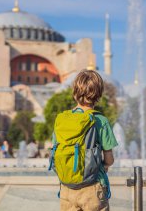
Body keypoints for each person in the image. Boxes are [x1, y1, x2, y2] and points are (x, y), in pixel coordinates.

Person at [51, 70, 118, 211]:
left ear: (75, 92)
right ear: (99, 94)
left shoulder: (62, 120)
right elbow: (109, 159)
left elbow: (55, 150)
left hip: (66, 189)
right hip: (92, 188)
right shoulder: (100, 120)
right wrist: (105, 165)